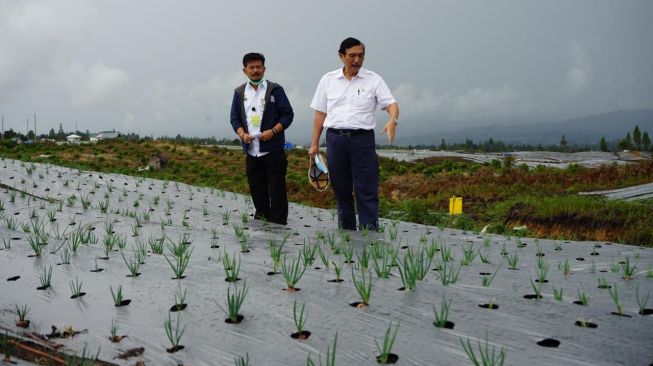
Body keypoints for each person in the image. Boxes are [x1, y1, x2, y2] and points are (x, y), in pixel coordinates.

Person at [309, 37, 399, 230]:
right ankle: (347, 232)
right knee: (341, 189)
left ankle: (369, 233)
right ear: (341, 56)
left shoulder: (374, 80)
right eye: (352, 56)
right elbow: (320, 115)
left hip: (362, 141)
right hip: (335, 140)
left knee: (366, 189)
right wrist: (314, 145)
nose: (356, 60)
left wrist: (393, 120)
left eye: (360, 55)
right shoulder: (328, 80)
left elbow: (391, 104)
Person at [230, 52, 294, 225]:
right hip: (251, 150)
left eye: (258, 67)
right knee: (257, 188)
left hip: (273, 149)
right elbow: (234, 118)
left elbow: (287, 115)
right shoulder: (239, 92)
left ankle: (279, 223)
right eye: (251, 67)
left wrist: (273, 131)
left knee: (277, 189)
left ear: (264, 69)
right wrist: (242, 134)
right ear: (245, 70)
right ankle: (262, 220)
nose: (255, 70)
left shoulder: (275, 90)